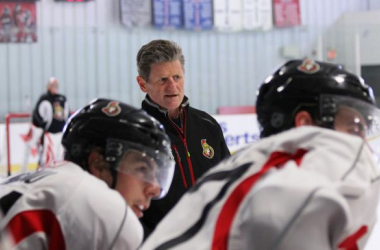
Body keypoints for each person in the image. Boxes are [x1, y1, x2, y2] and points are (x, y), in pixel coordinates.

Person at [140, 59, 380, 250]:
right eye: (353, 127)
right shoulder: (286, 189)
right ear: (305, 123)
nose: (361, 142)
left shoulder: (256, 163)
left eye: (177, 77)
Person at [0, 98, 175, 249]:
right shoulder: (103, 208)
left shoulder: (45, 181)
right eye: (142, 169)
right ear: (98, 164)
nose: (154, 188)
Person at [136, 39, 231, 235]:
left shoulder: (208, 125)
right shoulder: (135, 132)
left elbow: (229, 182)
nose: (173, 86)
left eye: (177, 77)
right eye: (163, 79)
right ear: (143, 84)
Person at [27, 77, 69, 169]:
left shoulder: (62, 98)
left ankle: (59, 172)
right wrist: (42, 125)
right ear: (48, 86)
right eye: (52, 85)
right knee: (47, 154)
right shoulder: (45, 98)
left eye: (56, 85)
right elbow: (36, 113)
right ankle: (44, 170)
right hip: (49, 133)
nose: (54, 87)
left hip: (61, 132)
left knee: (60, 154)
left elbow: (66, 114)